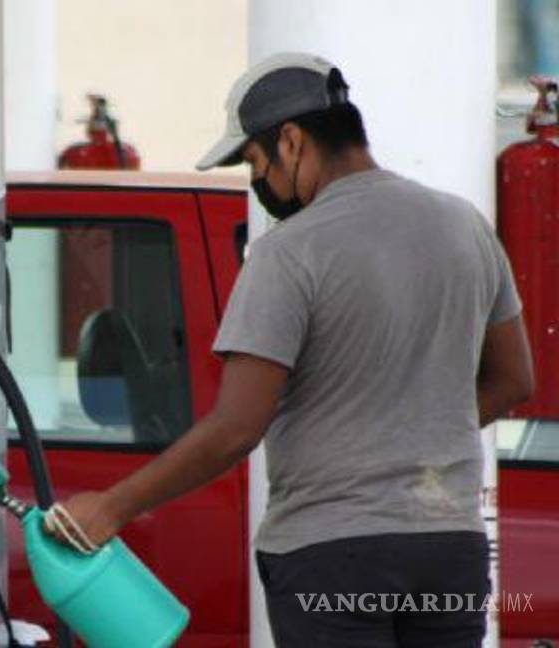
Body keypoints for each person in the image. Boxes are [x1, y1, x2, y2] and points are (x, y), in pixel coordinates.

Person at [47, 53, 535, 646]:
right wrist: (415, 430)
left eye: (255, 163)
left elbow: (236, 427)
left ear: (291, 141)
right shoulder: (465, 226)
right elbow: (514, 380)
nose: (259, 184)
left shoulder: (289, 251)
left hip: (332, 553)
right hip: (449, 547)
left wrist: (113, 507)